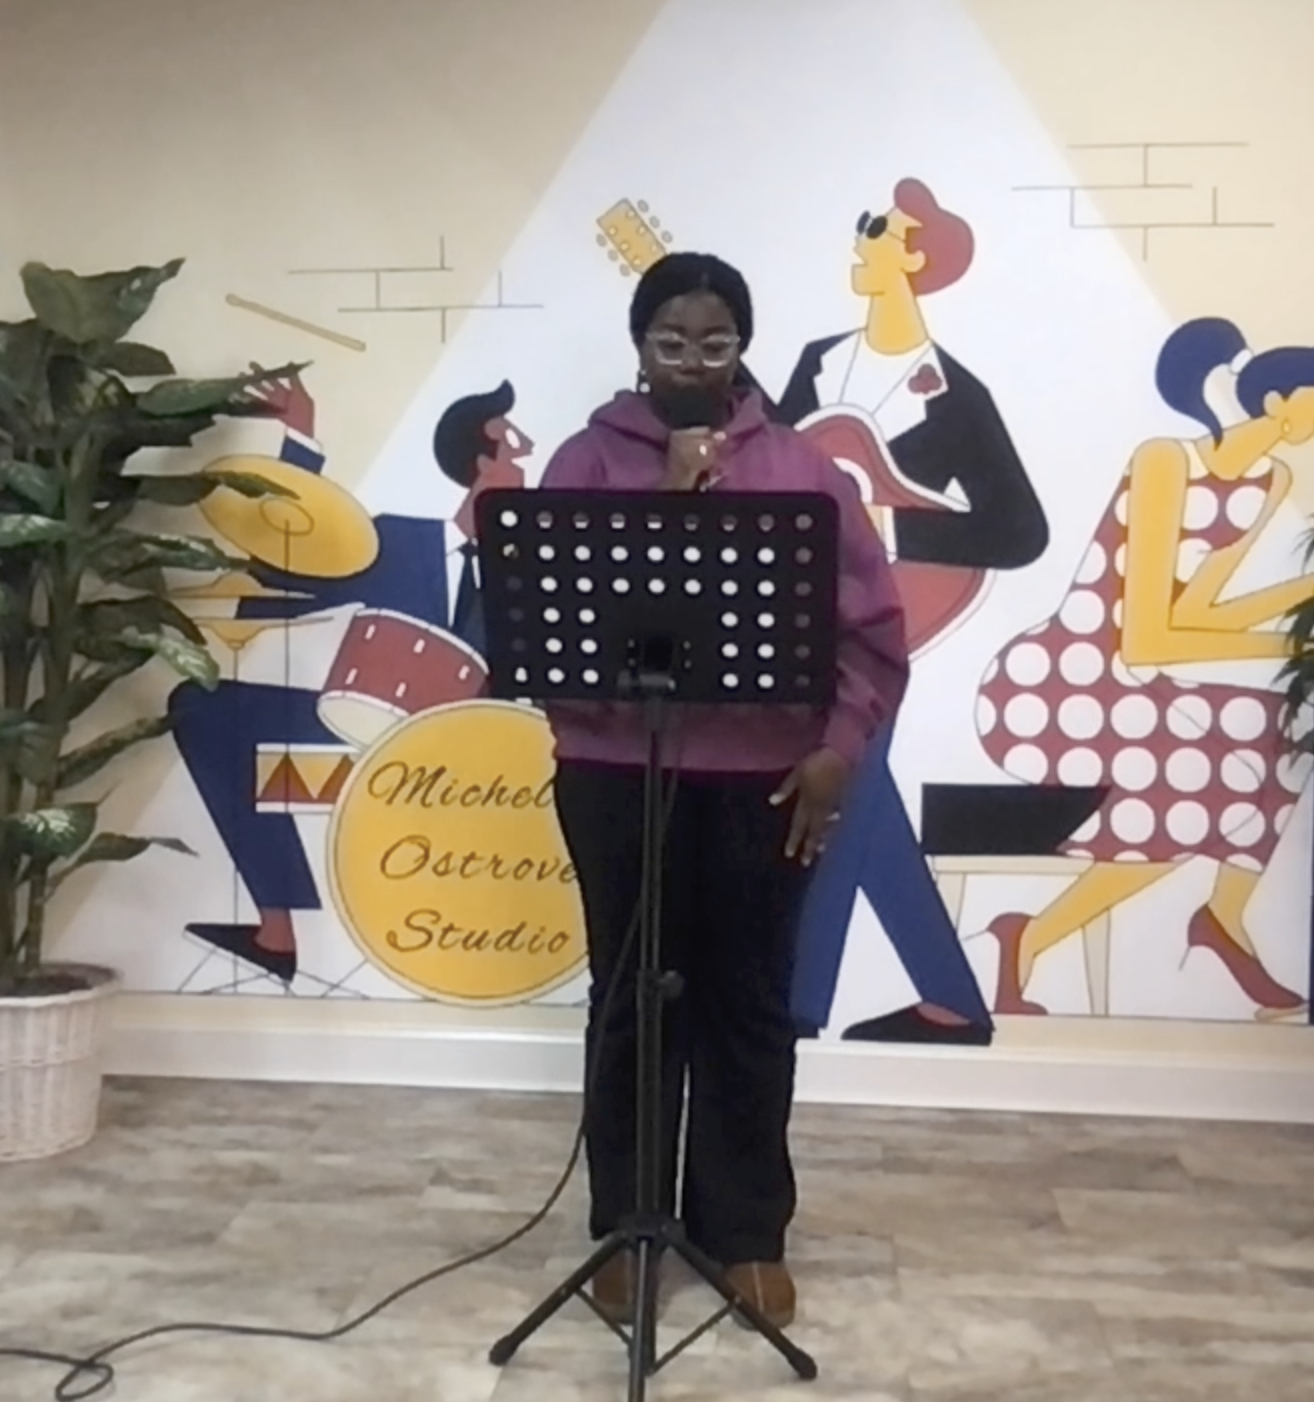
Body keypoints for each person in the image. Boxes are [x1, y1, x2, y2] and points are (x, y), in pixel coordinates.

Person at [538, 252, 909, 1328]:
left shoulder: (804, 469)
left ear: (743, 349)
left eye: (717, 343)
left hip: (769, 780)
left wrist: (839, 748)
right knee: (629, 997)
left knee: (748, 1001)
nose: (694, 363)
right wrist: (668, 497)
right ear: (639, 346)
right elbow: (555, 616)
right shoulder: (584, 462)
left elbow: (871, 633)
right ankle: (628, 1223)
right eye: (671, 342)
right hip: (617, 770)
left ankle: (745, 1231)